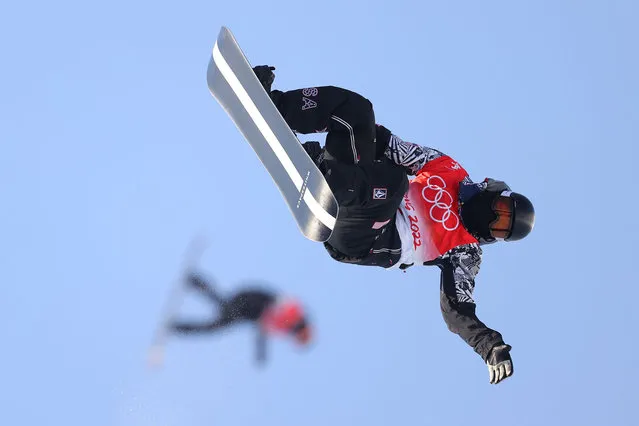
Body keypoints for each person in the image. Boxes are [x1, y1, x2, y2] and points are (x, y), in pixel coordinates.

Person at [252, 65, 535, 384]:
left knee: (395, 182)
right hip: (355, 188)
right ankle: (274, 107)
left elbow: (457, 310)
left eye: (500, 230)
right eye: (500, 212)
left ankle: (327, 179)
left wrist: (489, 346)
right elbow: (387, 144)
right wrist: (357, 132)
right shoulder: (448, 169)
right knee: (358, 109)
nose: (493, 223)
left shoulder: (465, 251)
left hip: (362, 237)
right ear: (493, 191)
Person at [170, 272, 312, 365]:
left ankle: (179, 325)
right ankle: (194, 284)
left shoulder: (285, 329)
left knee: (219, 316)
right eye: (301, 337)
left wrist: (260, 352)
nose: (296, 338)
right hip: (248, 301)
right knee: (221, 314)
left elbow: (263, 330)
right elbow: (275, 302)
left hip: (245, 312)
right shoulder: (294, 313)